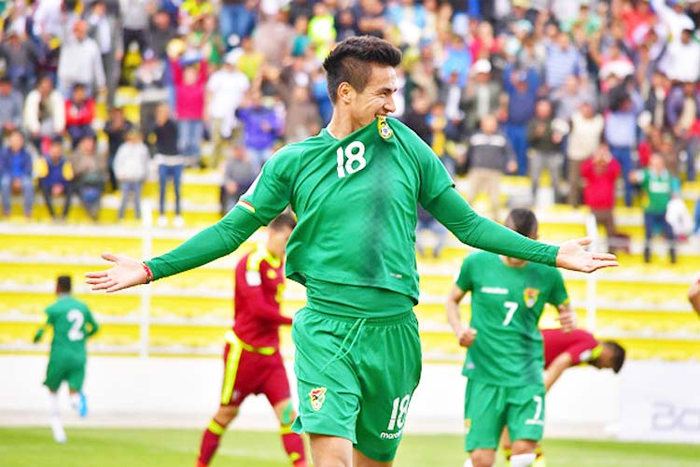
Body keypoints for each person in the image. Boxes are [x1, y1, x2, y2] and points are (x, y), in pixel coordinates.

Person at [87, 36, 617, 467]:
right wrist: (151, 267)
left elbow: (469, 224)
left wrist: (551, 253)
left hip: (395, 337)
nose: (393, 104)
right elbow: (229, 232)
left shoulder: (409, 147)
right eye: (383, 93)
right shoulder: (293, 162)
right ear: (345, 93)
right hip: (327, 330)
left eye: (395, 91)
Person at [446, 208, 576, 467]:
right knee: (481, 459)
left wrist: (568, 318)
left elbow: (565, 308)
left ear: (536, 239)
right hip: (484, 371)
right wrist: (459, 329)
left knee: (524, 452)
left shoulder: (547, 272)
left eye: (525, 243)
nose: (517, 251)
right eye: (512, 241)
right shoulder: (476, 263)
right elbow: (451, 300)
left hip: (526, 373)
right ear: (502, 234)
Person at [196, 213, 307, 467]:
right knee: (226, 413)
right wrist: (293, 321)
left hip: (270, 356)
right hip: (244, 353)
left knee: (288, 415)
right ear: (272, 232)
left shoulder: (279, 263)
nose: (288, 245)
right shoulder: (252, 263)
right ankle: (201, 464)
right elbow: (257, 310)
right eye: (286, 239)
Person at [500, 328, 626, 466]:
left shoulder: (586, 342)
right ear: (610, 354)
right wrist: (540, 393)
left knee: (510, 428)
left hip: (516, 359)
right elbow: (562, 362)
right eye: (607, 365)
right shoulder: (592, 347)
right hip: (518, 358)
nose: (601, 368)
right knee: (525, 428)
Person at [33, 275, 99, 443]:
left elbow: (41, 329)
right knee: (74, 390)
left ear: (57, 287)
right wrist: (83, 338)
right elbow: (95, 328)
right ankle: (77, 401)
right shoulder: (82, 307)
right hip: (79, 355)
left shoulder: (52, 309)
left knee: (53, 391)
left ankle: (58, 431)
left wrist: (36, 338)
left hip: (59, 356)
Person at [630, 153, 680, 263]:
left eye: (658, 163)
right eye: (654, 163)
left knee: (670, 233)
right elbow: (633, 177)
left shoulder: (667, 176)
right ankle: (647, 257)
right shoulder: (647, 174)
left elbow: (674, 190)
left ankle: (673, 256)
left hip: (664, 211)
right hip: (650, 210)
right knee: (648, 233)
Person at [113, 128, 150, 221]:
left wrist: (145, 174)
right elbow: (117, 162)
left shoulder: (142, 148)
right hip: (126, 177)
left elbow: (146, 163)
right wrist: (119, 174)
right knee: (124, 198)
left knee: (137, 199)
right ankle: (120, 217)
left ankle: (138, 217)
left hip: (138, 177)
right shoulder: (123, 148)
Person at [37, 137, 74, 221]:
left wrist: (61, 186)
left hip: (62, 186)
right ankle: (53, 215)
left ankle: (64, 216)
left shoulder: (66, 162)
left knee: (70, 189)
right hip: (49, 186)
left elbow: (68, 178)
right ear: (49, 151)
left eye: (58, 151)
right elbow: (42, 178)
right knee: (44, 189)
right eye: (54, 151)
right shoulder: (44, 161)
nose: (56, 153)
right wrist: (53, 186)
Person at [0, 129, 34, 218]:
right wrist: (14, 179)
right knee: (4, 182)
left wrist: (19, 179)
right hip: (8, 176)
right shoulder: (4, 153)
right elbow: (2, 169)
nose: (16, 142)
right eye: (13, 140)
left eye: (18, 140)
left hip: (23, 177)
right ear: (9, 141)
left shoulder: (26, 154)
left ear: (22, 141)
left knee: (28, 184)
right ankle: (6, 210)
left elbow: (28, 169)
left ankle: (28, 212)